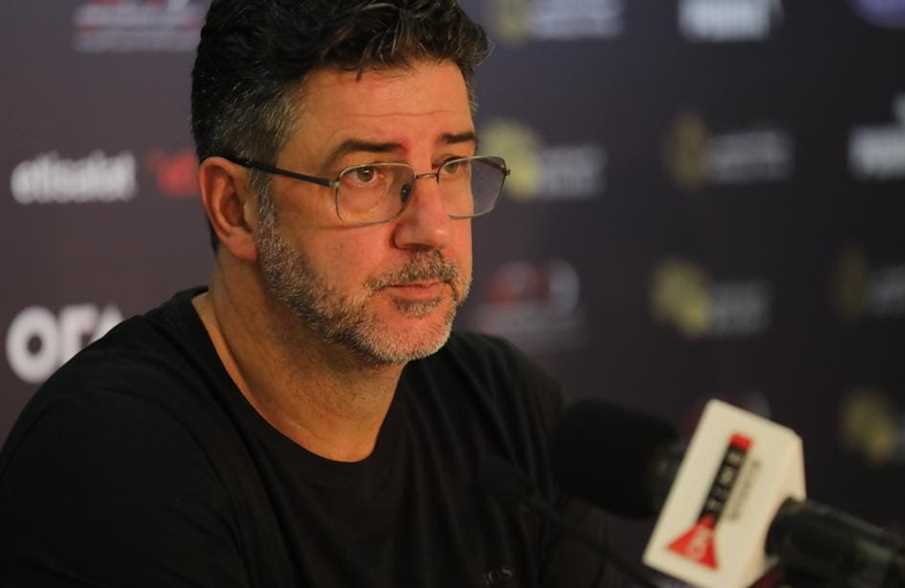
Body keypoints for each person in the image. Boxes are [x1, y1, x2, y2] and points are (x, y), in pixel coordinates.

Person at [0, 1, 623, 586]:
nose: (432, 228)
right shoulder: (113, 458)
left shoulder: (507, 408)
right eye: (368, 175)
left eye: (453, 167)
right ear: (235, 207)